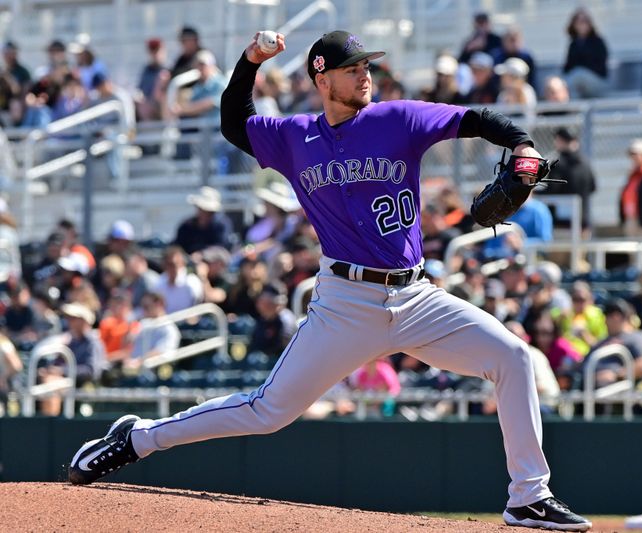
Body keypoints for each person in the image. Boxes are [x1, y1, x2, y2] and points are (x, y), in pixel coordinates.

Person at [68, 29, 591, 530]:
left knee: (513, 357)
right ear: (322, 78)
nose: (365, 75)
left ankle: (529, 497)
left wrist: (521, 142)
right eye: (352, 68)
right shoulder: (295, 137)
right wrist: (250, 62)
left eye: (367, 66)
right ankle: (139, 438)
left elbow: (474, 118)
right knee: (267, 412)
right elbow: (234, 123)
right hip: (345, 302)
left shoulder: (399, 118)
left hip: (415, 296)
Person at [584, 298, 642, 388]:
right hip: (586, 389)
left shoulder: (638, 338)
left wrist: (616, 375)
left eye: (609, 316)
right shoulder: (601, 341)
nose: (605, 321)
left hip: (619, 395)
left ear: (619, 316)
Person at [538, 127, 596, 235]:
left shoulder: (558, 164)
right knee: (580, 251)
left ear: (560, 140)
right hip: (583, 222)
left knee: (561, 251)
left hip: (562, 225)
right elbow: (593, 187)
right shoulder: (585, 163)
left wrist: (534, 194)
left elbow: (552, 190)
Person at [173, 186, 236, 254]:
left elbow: (222, 247)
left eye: (208, 211)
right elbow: (178, 246)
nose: (203, 212)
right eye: (201, 209)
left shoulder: (221, 225)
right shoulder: (186, 226)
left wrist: (202, 255)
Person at [562, 8, 609, 99]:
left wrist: (582, 69)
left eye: (584, 21)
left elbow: (601, 67)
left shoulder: (598, 42)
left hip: (597, 82)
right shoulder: (573, 44)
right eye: (578, 22)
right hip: (577, 84)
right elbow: (567, 67)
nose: (582, 25)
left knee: (579, 75)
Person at [135, 38, 170, 122]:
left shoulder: (168, 70)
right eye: (152, 51)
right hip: (146, 106)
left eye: (157, 50)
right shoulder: (146, 70)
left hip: (162, 109)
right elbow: (140, 90)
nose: (155, 54)